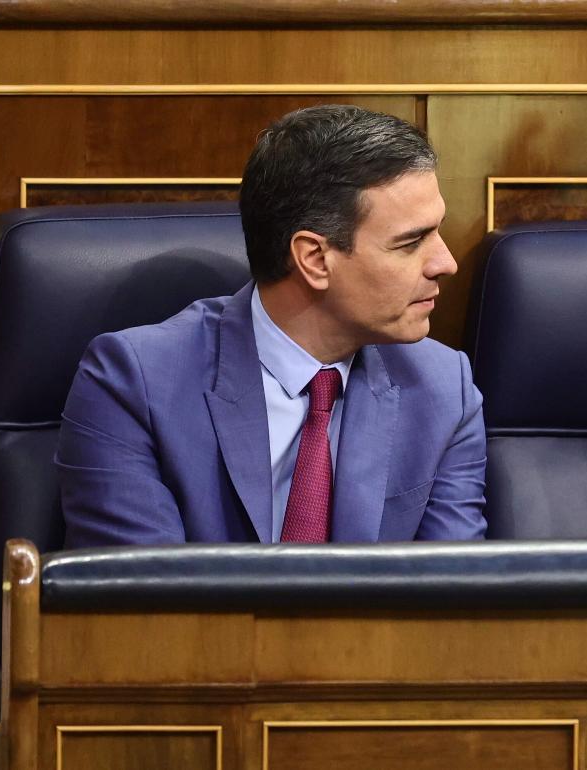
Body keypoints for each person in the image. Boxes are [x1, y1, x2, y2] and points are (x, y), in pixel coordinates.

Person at [58, 105, 487, 546]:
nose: (446, 263)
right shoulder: (134, 385)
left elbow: (455, 601)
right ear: (315, 259)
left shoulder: (442, 389)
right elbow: (141, 603)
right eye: (411, 242)